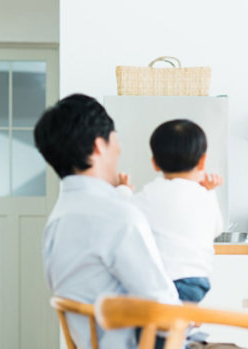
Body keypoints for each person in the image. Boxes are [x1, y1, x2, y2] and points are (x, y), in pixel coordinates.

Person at [34, 94, 179, 348]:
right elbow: (165, 311)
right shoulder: (118, 216)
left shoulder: (58, 220)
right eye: (115, 137)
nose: (119, 147)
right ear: (99, 145)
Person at [120, 119, 223, 303]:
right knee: (173, 325)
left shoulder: (150, 194)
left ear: (155, 163)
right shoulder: (206, 194)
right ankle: (183, 327)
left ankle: (178, 328)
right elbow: (217, 229)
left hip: (163, 283)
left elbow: (124, 214)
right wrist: (210, 192)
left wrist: (123, 190)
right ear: (202, 161)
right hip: (197, 283)